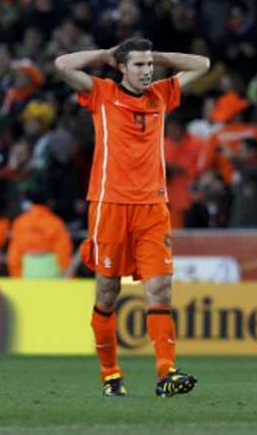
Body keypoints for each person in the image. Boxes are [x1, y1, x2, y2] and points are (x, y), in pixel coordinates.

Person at [54, 37, 209, 397]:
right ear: (122, 67)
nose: (147, 71)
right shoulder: (103, 93)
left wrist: (159, 56)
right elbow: (63, 64)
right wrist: (105, 56)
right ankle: (110, 374)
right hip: (109, 205)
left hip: (153, 207)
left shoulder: (162, 94)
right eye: (138, 65)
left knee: (160, 288)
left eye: (149, 65)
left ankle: (166, 373)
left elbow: (201, 64)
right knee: (107, 292)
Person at [6, 189, 73, 279]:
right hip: (51, 269)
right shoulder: (55, 222)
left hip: (28, 269)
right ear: (48, 203)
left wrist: (16, 275)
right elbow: (63, 250)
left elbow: (14, 252)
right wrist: (69, 275)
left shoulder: (20, 222)